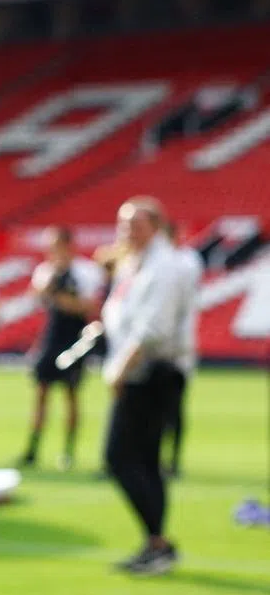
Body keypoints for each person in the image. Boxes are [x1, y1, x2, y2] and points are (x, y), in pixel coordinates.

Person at [101, 196, 183, 575]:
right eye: (122, 223)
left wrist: (119, 370)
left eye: (133, 223)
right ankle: (156, 543)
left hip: (151, 372)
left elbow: (153, 329)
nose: (125, 232)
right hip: (145, 370)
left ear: (156, 225)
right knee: (145, 461)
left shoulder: (164, 265)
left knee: (120, 457)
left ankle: (159, 542)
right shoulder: (136, 263)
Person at [20, 226, 105, 470]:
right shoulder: (46, 271)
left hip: (74, 338)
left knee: (71, 395)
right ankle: (33, 449)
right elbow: (36, 298)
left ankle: (68, 452)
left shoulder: (85, 271)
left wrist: (60, 299)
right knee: (41, 394)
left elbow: (88, 307)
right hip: (52, 335)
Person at [162, 220, 204, 478]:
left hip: (178, 348)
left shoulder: (186, 262)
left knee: (174, 407)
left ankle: (173, 459)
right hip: (158, 348)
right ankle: (155, 458)